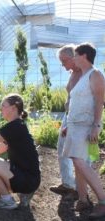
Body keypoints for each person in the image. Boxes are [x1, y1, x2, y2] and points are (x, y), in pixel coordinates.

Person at [62, 42, 105, 218]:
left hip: (85, 125)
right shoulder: (83, 75)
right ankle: (83, 199)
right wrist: (67, 124)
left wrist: (96, 125)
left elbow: (99, 101)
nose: (73, 58)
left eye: (76, 55)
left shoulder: (95, 74)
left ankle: (103, 200)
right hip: (74, 125)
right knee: (76, 161)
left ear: (84, 56)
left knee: (80, 162)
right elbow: (75, 102)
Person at [49, 44, 82, 196]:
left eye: (64, 61)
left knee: (79, 154)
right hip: (68, 116)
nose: (62, 65)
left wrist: (71, 124)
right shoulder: (73, 72)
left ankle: (82, 189)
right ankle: (68, 183)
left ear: (73, 57)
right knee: (62, 148)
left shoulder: (85, 74)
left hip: (78, 119)